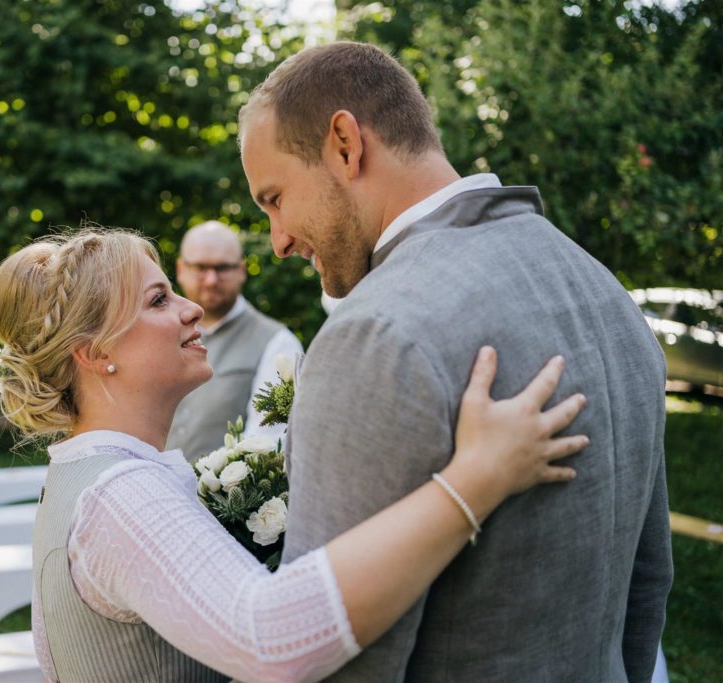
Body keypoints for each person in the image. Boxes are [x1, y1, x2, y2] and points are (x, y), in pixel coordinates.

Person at [238, 41, 672, 681]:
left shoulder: (376, 333)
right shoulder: (605, 293)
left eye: (274, 198)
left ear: (344, 144)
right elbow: (648, 583)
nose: (277, 241)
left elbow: (336, 659)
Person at [0, 228, 589, 682]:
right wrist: (476, 480)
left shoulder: (85, 478)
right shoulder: (119, 497)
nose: (192, 307)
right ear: (94, 354)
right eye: (159, 300)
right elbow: (269, 636)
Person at [167, 220, 303, 459]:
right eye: (200, 267)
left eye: (222, 268)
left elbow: (268, 442)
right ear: (180, 269)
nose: (211, 279)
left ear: (241, 271)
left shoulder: (278, 343)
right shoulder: (162, 333)